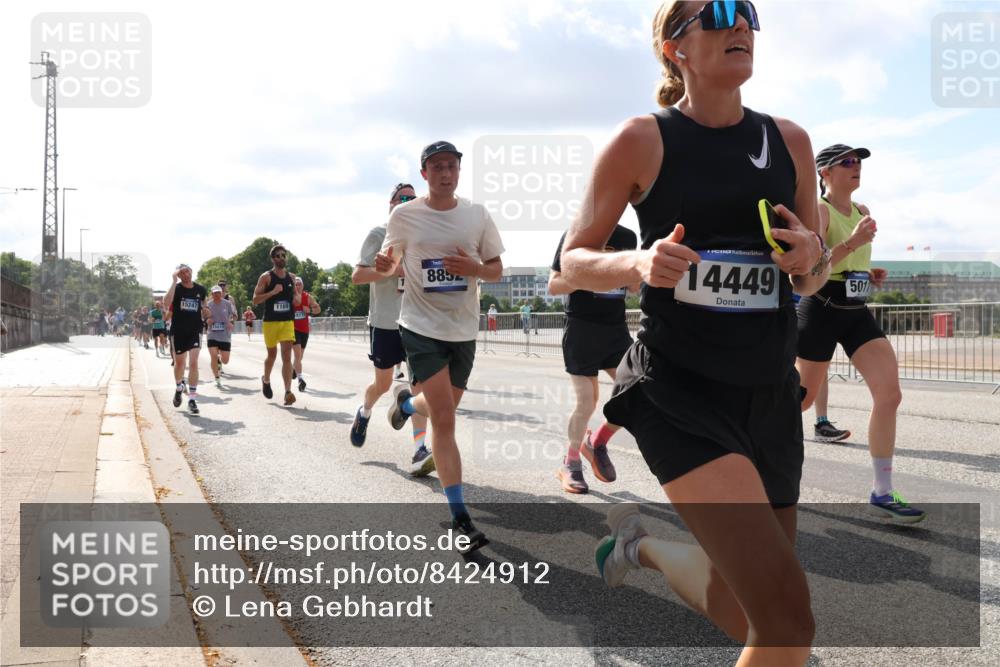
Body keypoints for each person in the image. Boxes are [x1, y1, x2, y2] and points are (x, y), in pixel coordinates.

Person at [559, 2, 831, 662]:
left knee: (751, 612)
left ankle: (640, 545)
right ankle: (642, 543)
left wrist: (808, 260)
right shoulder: (642, 139)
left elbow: (814, 270)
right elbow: (570, 263)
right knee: (788, 620)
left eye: (749, 15)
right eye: (719, 15)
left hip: (769, 396)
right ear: (675, 48)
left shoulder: (789, 140)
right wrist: (637, 262)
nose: (741, 26)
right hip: (678, 391)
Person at [375, 142, 505, 551]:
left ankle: (407, 404)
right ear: (425, 172)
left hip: (463, 328)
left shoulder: (476, 215)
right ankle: (460, 517)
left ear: (459, 171)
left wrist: (475, 269)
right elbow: (391, 261)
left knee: (446, 404)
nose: (445, 173)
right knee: (446, 419)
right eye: (437, 167)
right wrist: (385, 265)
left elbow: (497, 271)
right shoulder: (405, 215)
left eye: (452, 166)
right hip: (419, 324)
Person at [796, 143, 924, 522]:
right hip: (820, 308)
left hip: (855, 311)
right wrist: (853, 241)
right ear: (825, 173)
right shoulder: (819, 210)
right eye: (847, 162)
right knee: (801, 401)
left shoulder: (863, 211)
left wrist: (869, 274)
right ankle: (758, 459)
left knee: (890, 393)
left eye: (859, 162)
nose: (856, 167)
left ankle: (882, 492)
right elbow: (813, 264)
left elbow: (850, 263)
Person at [350, 183, 433, 476]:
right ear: (391, 203)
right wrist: (390, 270)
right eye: (403, 198)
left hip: (417, 321)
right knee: (383, 385)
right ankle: (365, 412)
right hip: (385, 322)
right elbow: (357, 275)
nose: (409, 202)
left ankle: (420, 449)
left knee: (420, 385)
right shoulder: (379, 234)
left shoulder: (422, 236)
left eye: (414, 198)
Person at [548, 226, 638, 493]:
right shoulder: (577, 234)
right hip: (582, 328)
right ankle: (571, 463)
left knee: (638, 393)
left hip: (616, 331)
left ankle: (596, 442)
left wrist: (632, 270)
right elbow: (554, 285)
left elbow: (633, 287)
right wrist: (592, 274)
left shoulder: (627, 237)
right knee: (587, 401)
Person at [252, 244, 299, 406]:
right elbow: (255, 299)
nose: (281, 258)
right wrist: (272, 292)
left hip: (287, 321)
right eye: (278, 256)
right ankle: (266, 380)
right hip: (270, 322)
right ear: (273, 259)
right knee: (271, 355)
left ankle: (287, 392)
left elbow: (295, 297)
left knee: (287, 356)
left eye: (284, 255)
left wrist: (297, 299)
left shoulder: (291, 277)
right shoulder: (266, 277)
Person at [165, 264, 209, 415]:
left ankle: (192, 399)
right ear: (179, 275)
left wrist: (206, 310)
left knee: (194, 362)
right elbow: (166, 302)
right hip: (178, 331)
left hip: (195, 330)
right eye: (182, 272)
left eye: (187, 271)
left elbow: (204, 305)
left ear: (191, 272)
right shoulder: (176, 288)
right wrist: (172, 281)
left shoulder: (200, 289)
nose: (185, 274)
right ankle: (178, 387)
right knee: (180, 363)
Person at [291, 276, 321, 391]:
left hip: (304, 331)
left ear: (302, 285)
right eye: (296, 284)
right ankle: (300, 379)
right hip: (293, 330)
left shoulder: (307, 297)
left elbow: (318, 309)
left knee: (300, 357)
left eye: (299, 284)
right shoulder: (291, 297)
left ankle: (294, 370)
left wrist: (310, 310)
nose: (298, 286)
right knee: (298, 355)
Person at [206, 285, 237, 388]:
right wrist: (207, 320)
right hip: (212, 334)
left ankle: (220, 362)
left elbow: (235, 315)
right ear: (212, 294)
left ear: (222, 293)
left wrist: (231, 322)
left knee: (226, 360)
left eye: (218, 293)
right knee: (213, 356)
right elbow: (203, 317)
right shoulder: (208, 305)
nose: (217, 295)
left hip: (225, 335)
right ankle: (217, 378)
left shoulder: (227, 304)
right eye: (214, 293)